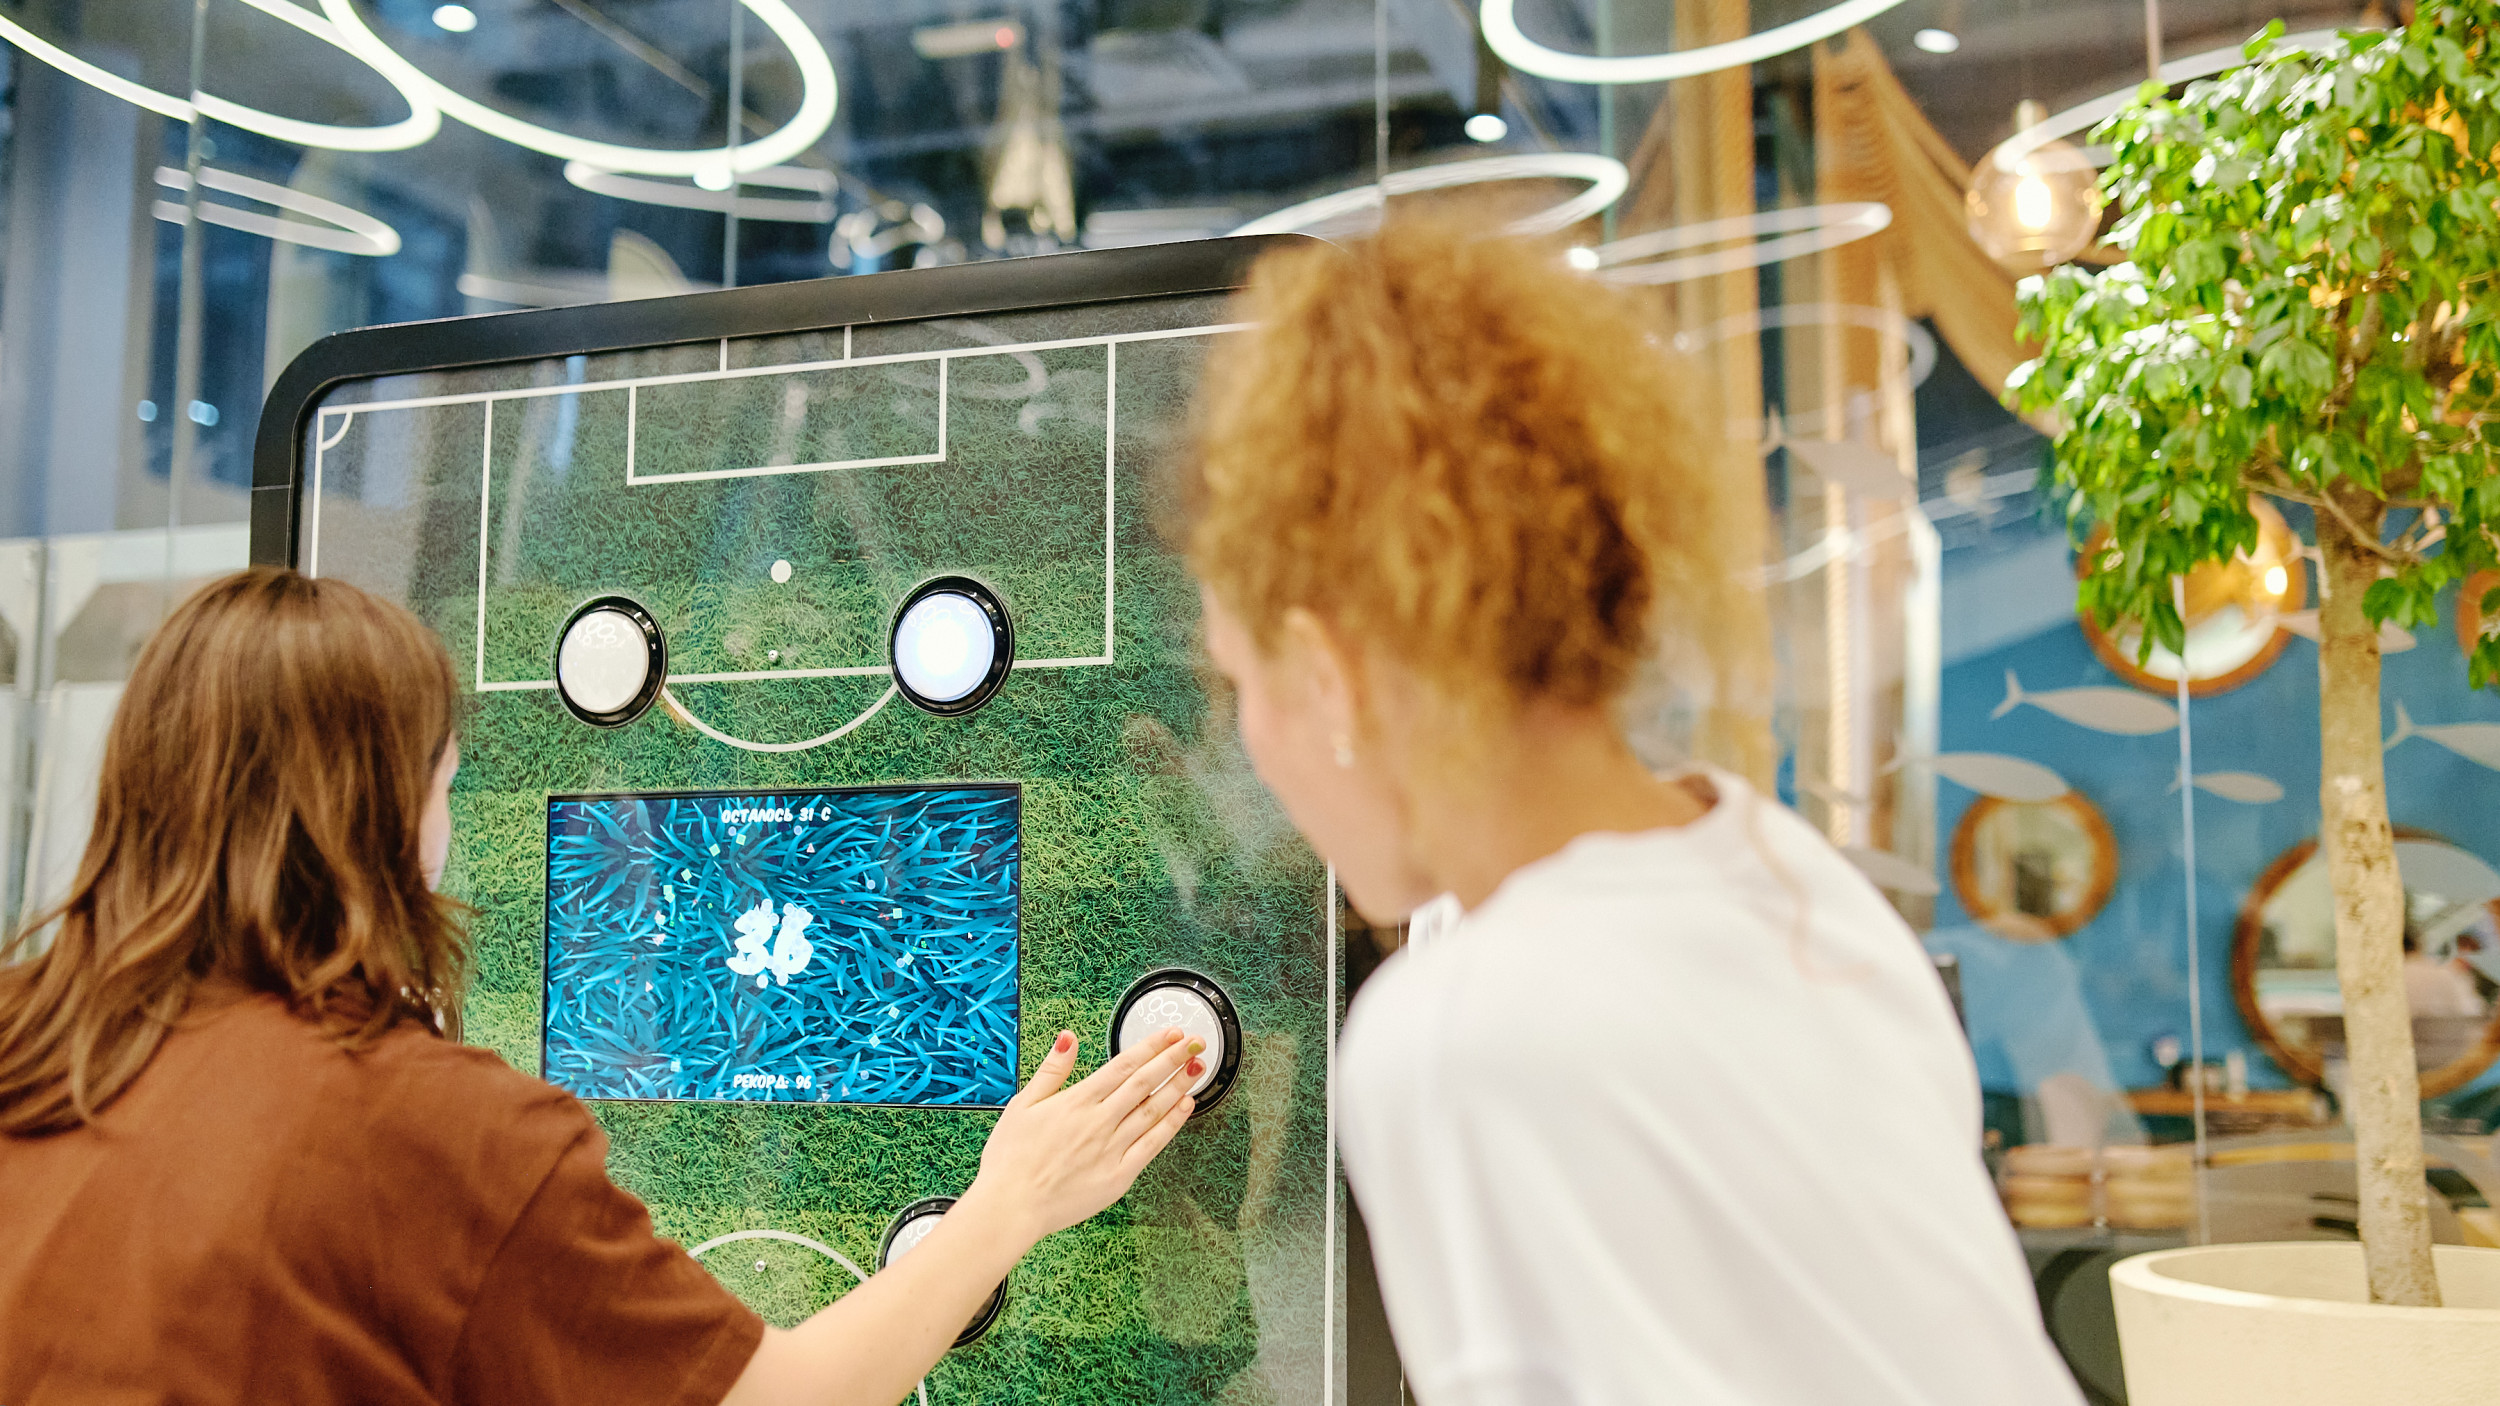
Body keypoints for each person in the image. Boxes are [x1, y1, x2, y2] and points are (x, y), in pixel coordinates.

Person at [1186, 220, 2084, 1405]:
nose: (1251, 746)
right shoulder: (1792, 880)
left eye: (1238, 683)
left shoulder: (1461, 1032)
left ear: (1327, 672)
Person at [0, 568, 1206, 1406]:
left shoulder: (25, 1041)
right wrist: (1008, 1202)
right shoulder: (428, 1123)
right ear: (386, 810)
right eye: (444, 787)